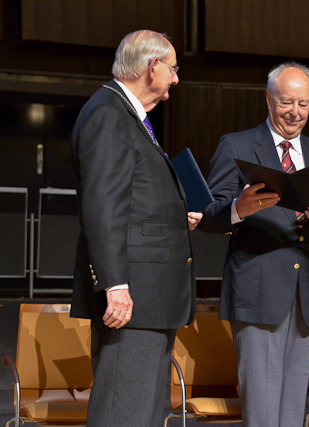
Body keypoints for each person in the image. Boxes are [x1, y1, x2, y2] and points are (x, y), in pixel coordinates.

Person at [199, 62, 309, 427]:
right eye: (287, 102)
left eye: (303, 104)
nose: (295, 112)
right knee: (263, 411)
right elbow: (206, 213)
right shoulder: (236, 145)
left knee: (292, 412)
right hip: (258, 292)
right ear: (269, 100)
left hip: (308, 295)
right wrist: (239, 208)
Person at [69, 30, 202, 426]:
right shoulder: (109, 114)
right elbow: (102, 207)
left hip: (150, 297)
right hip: (132, 299)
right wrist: (115, 285)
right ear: (151, 67)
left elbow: (133, 201)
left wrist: (177, 217)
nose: (176, 79)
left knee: (141, 413)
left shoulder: (127, 115)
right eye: (173, 69)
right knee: (122, 413)